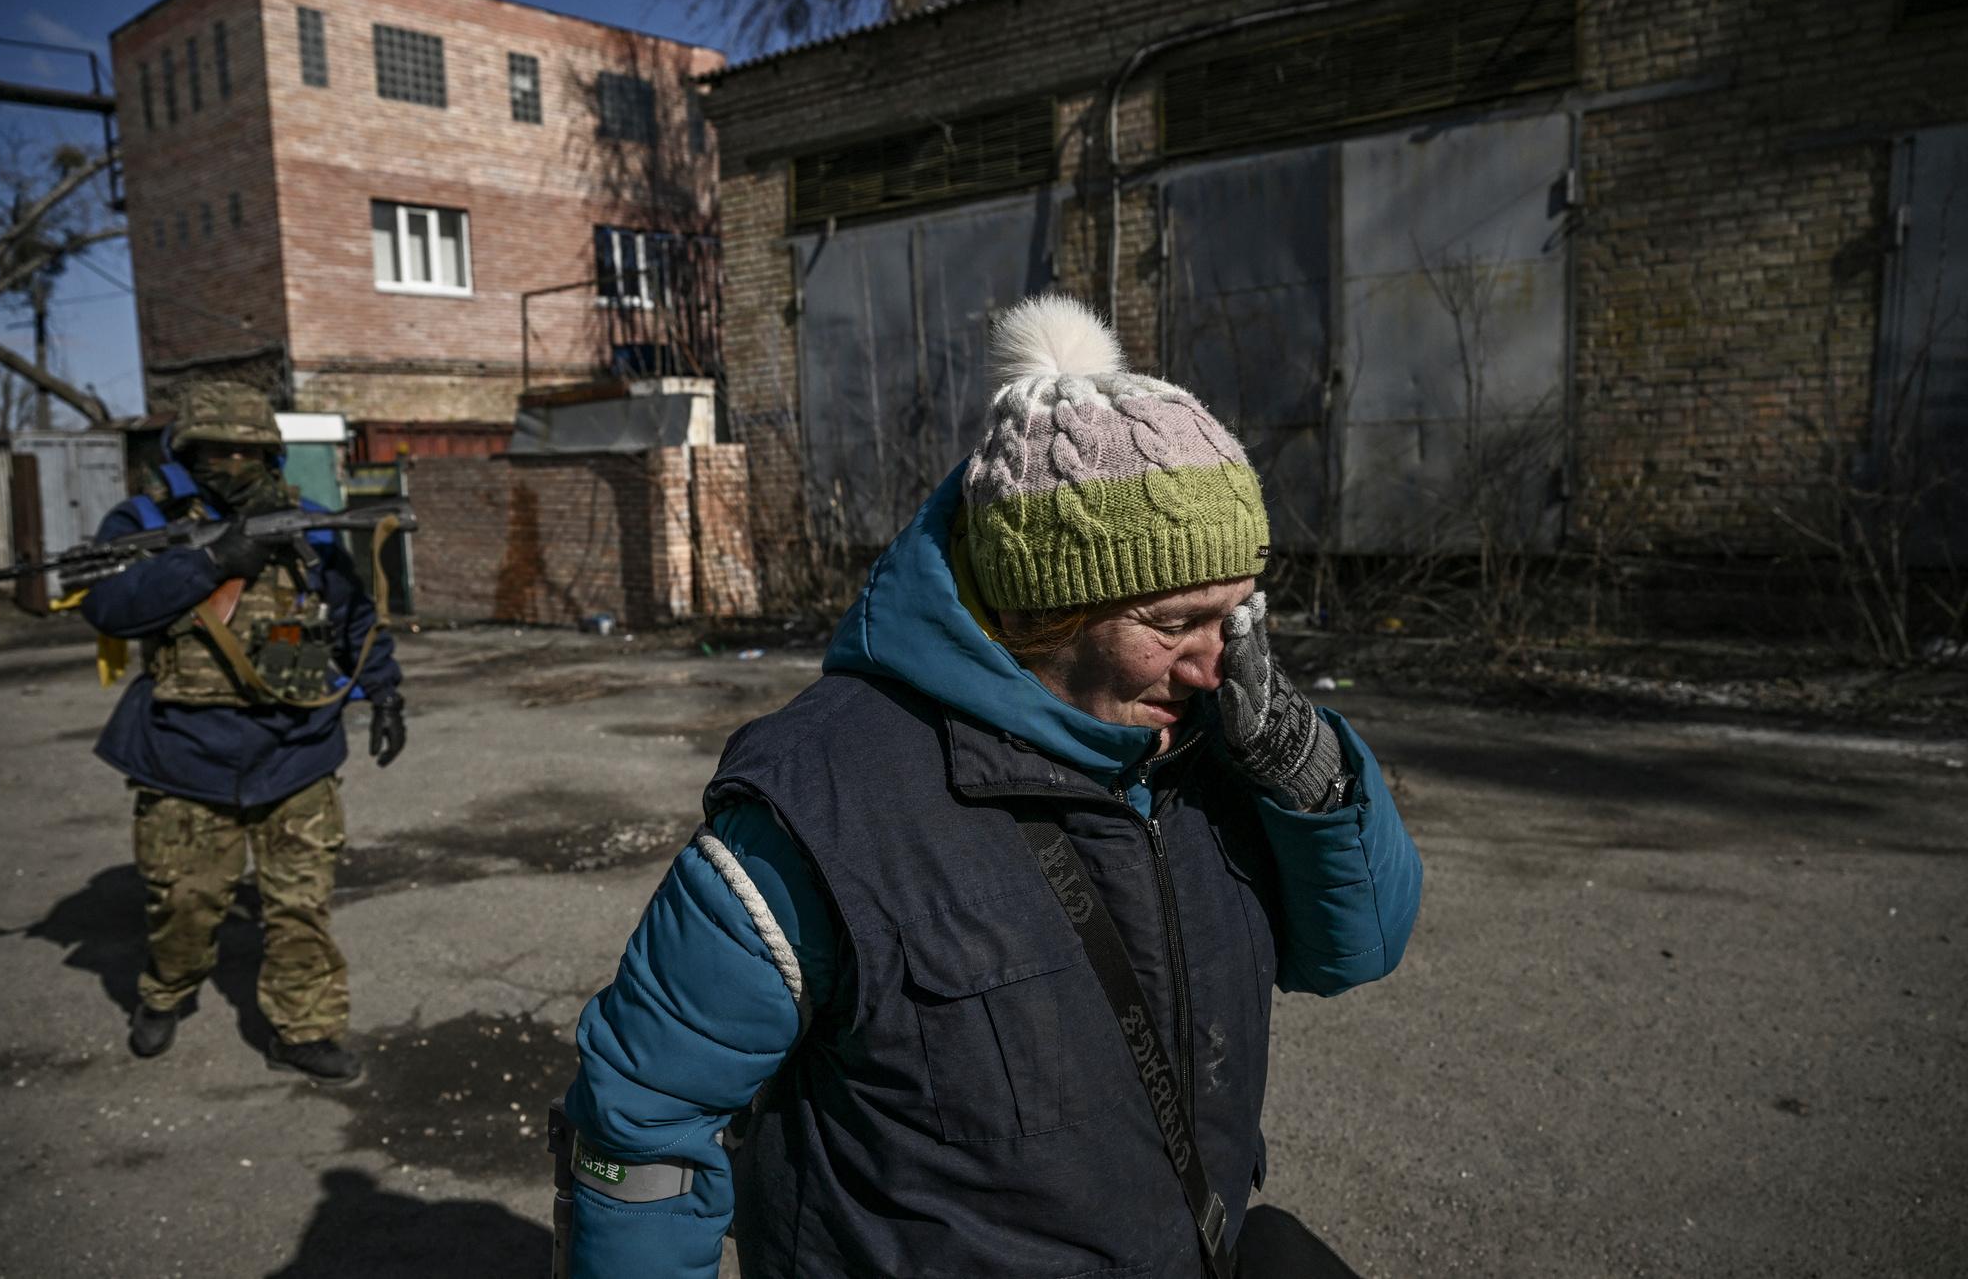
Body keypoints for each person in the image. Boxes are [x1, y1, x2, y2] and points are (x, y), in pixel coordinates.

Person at [563, 296, 1422, 1277]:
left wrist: (1307, 775)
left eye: (1237, 615)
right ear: (1044, 610)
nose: (1217, 665)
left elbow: (1355, 949)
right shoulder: (824, 802)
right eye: (1174, 620)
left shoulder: (1213, 745)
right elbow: (642, 1123)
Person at [80, 381, 407, 1083]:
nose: (230, 461)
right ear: (185, 452)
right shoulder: (143, 522)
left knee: (299, 906)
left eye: (245, 449)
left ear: (270, 452)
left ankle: (304, 1027)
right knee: (185, 902)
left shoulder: (310, 527)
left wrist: (384, 692)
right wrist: (210, 562)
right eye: (213, 450)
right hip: (183, 752)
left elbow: (353, 618)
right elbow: (108, 605)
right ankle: (165, 990)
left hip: (296, 749)